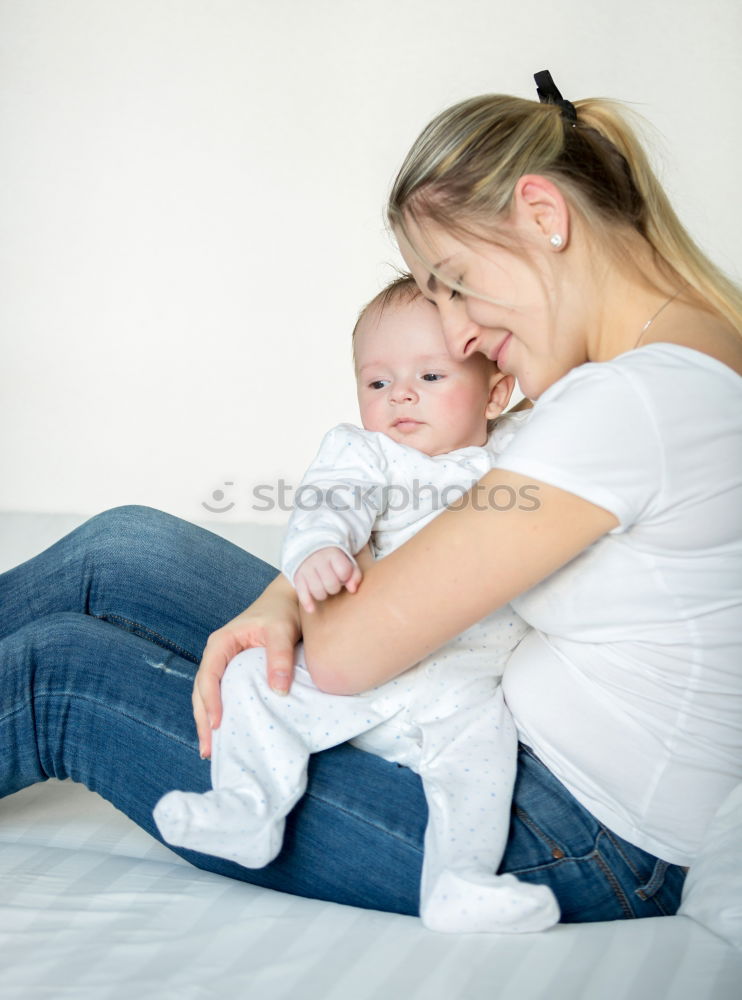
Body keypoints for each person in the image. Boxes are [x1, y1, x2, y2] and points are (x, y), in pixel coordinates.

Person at [2, 70, 740, 925]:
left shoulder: (628, 405)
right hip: (487, 720)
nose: (458, 335)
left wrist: (296, 606)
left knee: (60, 672)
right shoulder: (665, 357)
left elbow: (349, 656)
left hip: (574, 834)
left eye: (454, 281)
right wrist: (286, 594)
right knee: (122, 550)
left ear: (545, 215)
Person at [152, 276, 559, 933]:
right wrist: (319, 552)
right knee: (254, 674)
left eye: (430, 375)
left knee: (480, 767)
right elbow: (331, 499)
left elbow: (572, 412)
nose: (400, 395)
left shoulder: (512, 454)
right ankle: (246, 805)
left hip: (465, 688)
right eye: (377, 382)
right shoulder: (367, 453)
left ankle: (460, 881)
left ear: (496, 391)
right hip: (356, 677)